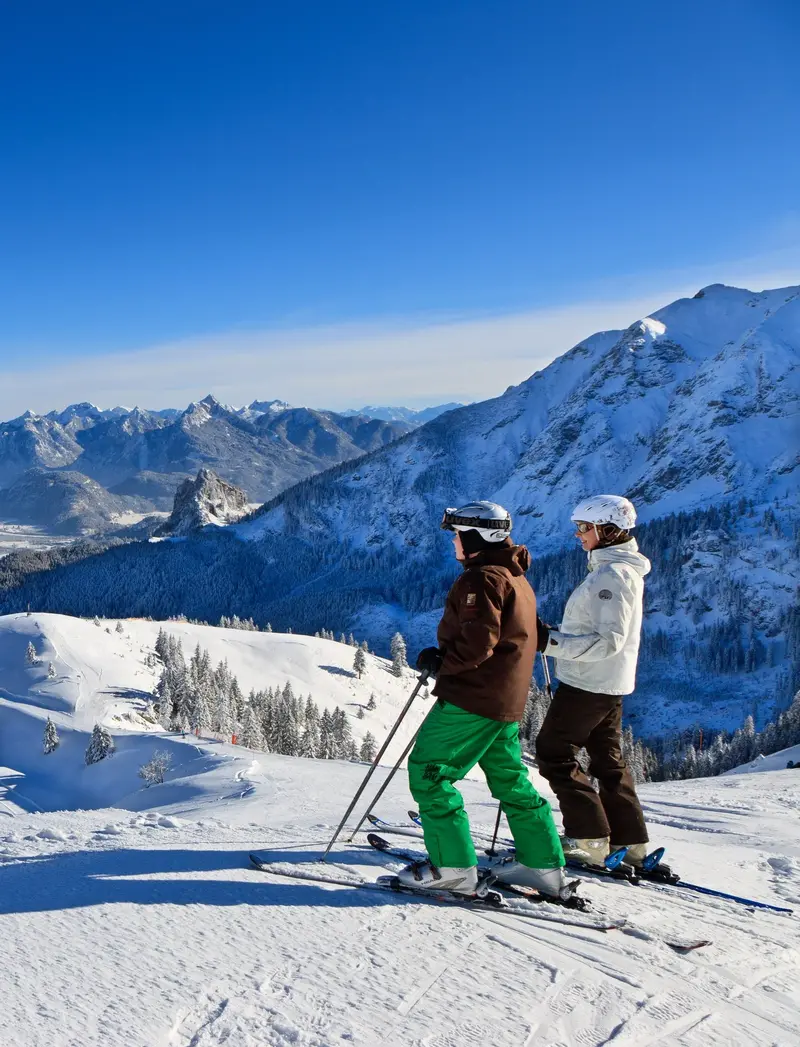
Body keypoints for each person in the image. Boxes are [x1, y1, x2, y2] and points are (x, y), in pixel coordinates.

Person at [397, 501, 568, 898]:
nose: (454, 540)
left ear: (477, 537)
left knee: (430, 773)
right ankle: (542, 864)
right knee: (510, 780)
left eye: (459, 533)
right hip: (504, 700)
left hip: (472, 698)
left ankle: (453, 869)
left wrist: (442, 662)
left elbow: (478, 643)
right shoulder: (514, 576)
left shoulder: (482, 580)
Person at [535, 495, 652, 867]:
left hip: (589, 684)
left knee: (554, 754)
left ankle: (588, 839)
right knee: (607, 761)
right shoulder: (619, 569)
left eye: (585, 528)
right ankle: (629, 844)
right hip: (609, 684)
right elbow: (597, 630)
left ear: (607, 529)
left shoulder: (611, 575)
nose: (578, 535)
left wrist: (550, 642)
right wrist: (554, 634)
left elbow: (608, 641)